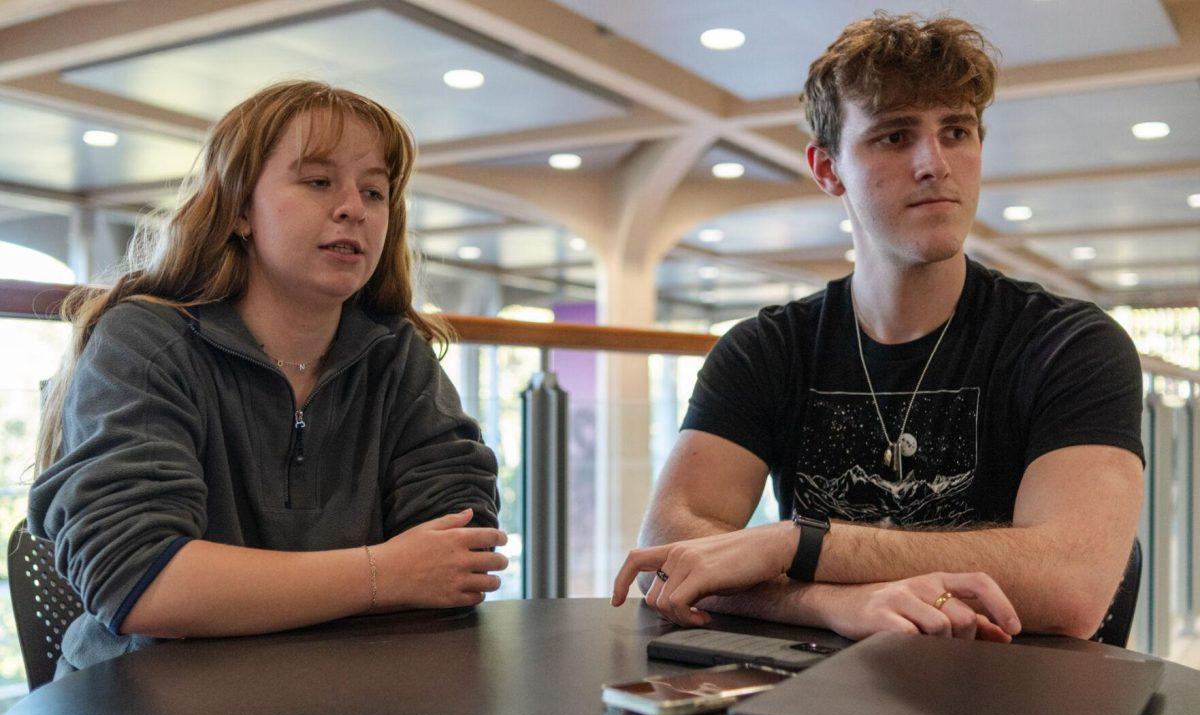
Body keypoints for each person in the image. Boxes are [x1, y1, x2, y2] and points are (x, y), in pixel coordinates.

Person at [611, 14, 1144, 643]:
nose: (935, 164)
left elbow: (1070, 582)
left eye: (957, 131)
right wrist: (829, 604)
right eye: (895, 137)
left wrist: (797, 544)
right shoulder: (765, 350)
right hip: (820, 697)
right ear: (827, 168)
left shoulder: (1069, 344)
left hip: (1011, 706)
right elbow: (669, 546)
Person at [29, 81, 506, 675]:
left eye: (376, 191)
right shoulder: (145, 341)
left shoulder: (396, 355)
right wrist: (386, 572)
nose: (354, 208)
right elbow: (142, 583)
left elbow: (458, 556)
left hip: (347, 700)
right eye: (318, 181)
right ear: (238, 210)